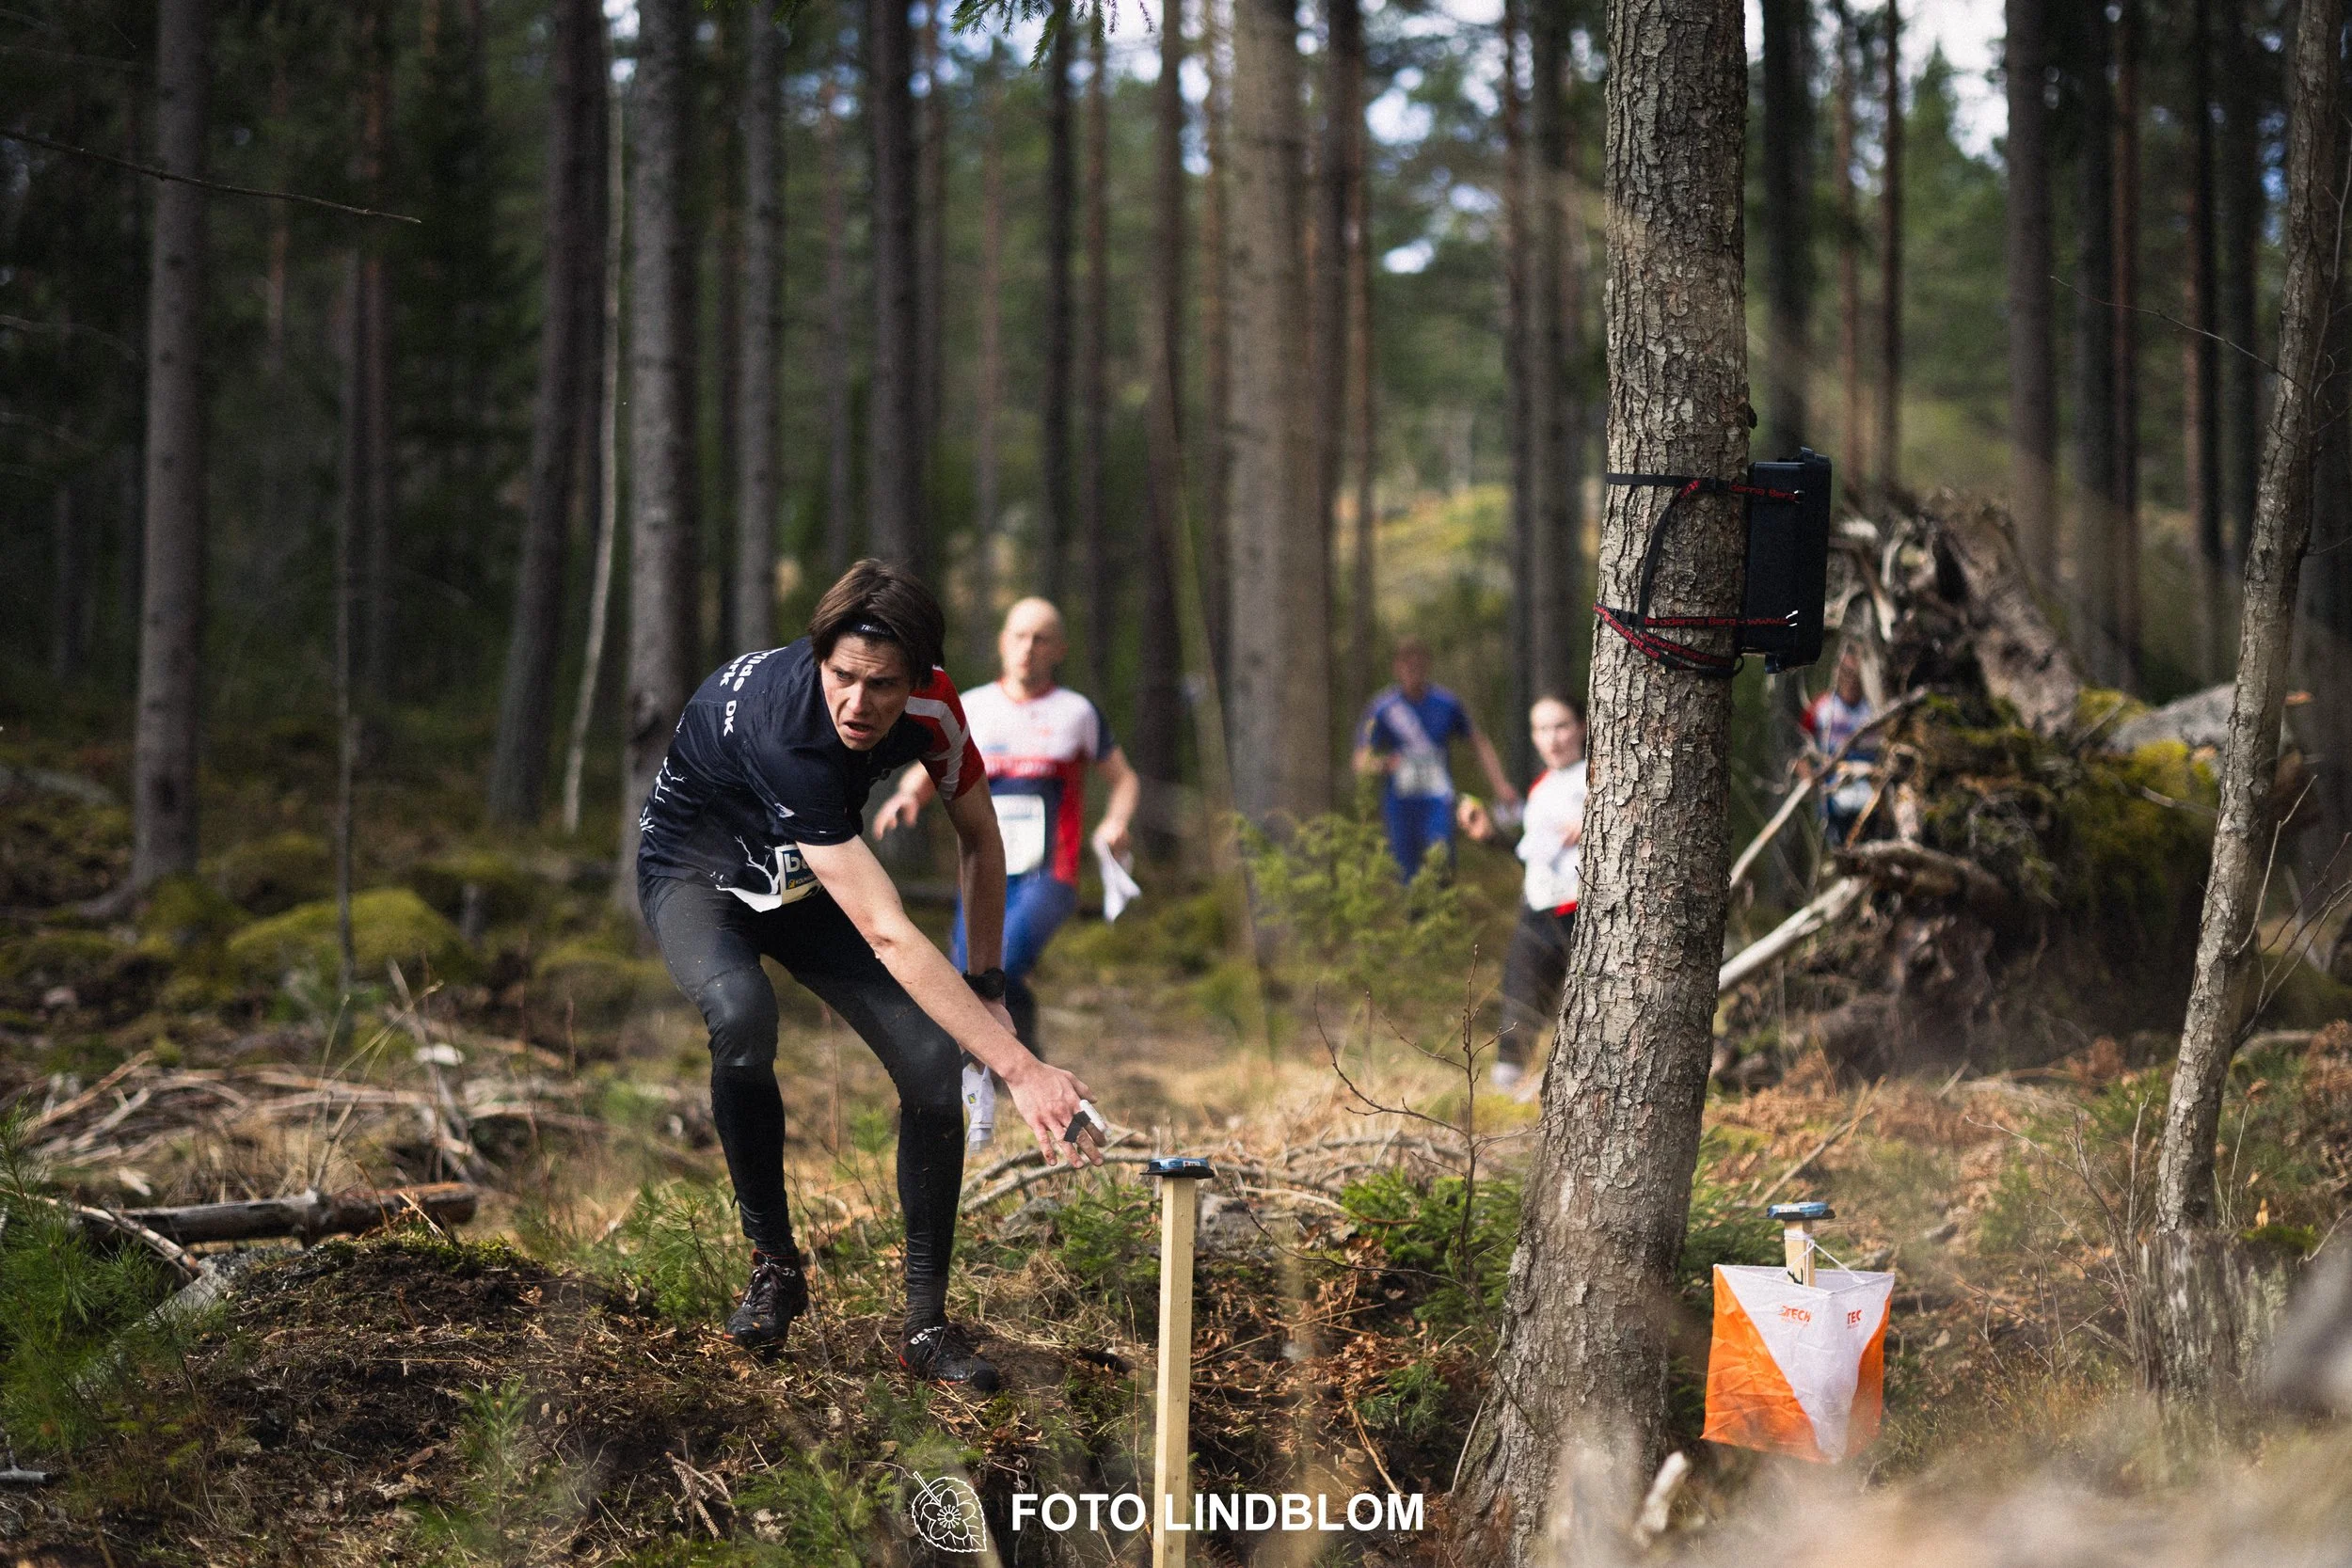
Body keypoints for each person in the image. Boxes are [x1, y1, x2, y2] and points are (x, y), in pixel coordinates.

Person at [635, 559, 1104, 1391]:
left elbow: (981, 840)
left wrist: (990, 983)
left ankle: (923, 1327)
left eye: (881, 685)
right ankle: (775, 1264)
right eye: (842, 677)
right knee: (742, 1014)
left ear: (918, 679)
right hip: (696, 875)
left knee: (930, 1061)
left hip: (800, 877)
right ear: (819, 658)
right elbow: (888, 931)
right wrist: (1019, 1066)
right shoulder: (783, 726)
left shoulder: (936, 706)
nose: (858, 703)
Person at [875, 597, 1139, 1146]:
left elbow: (1125, 780)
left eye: (1042, 638)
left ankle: (945, 1099)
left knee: (988, 972)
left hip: (1051, 875)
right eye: (1019, 635)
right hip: (984, 877)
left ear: (1059, 649)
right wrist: (906, 798)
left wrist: (1115, 824)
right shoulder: (971, 706)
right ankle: (1029, 1071)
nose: (1029, 648)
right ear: (1002, 641)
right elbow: (932, 767)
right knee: (967, 979)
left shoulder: (1077, 713)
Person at [1459, 696, 1586, 1097]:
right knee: (1519, 1004)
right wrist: (1490, 835)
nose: (1552, 738)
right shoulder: (1540, 789)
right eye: (1542, 729)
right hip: (1538, 913)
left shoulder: (1602, 776)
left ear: (1582, 726)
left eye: (1561, 726)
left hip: (1585, 912)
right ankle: (1505, 1096)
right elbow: (1531, 855)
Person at [1351, 639, 1519, 879]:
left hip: (1438, 800)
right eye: (1407, 666)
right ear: (1396, 668)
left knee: (1441, 864)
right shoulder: (1384, 708)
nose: (1413, 672)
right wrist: (1383, 765)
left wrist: (1500, 784)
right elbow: (1360, 761)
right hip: (1401, 804)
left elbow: (1479, 743)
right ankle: (1416, 914)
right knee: (1406, 872)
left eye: (1418, 666)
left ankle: (1443, 912)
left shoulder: (1446, 704)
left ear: (1427, 666)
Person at [1799, 642, 1879, 846]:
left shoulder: (1875, 709)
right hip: (1834, 799)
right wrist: (1809, 778)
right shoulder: (1821, 709)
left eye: (1856, 674)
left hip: (1870, 798)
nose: (1851, 680)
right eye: (1846, 673)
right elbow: (1801, 749)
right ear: (1838, 673)